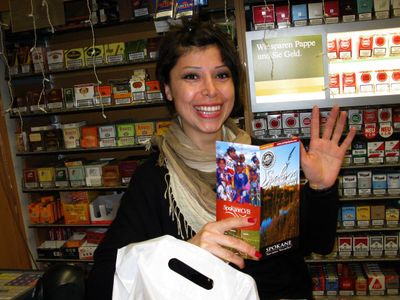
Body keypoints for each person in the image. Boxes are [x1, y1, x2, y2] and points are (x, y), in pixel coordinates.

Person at [87, 18, 356, 300]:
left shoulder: (264, 157)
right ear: (167, 89)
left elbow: (317, 243)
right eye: (192, 76)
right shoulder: (154, 178)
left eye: (221, 75)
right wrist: (185, 252)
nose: (211, 90)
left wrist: (321, 189)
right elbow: (104, 282)